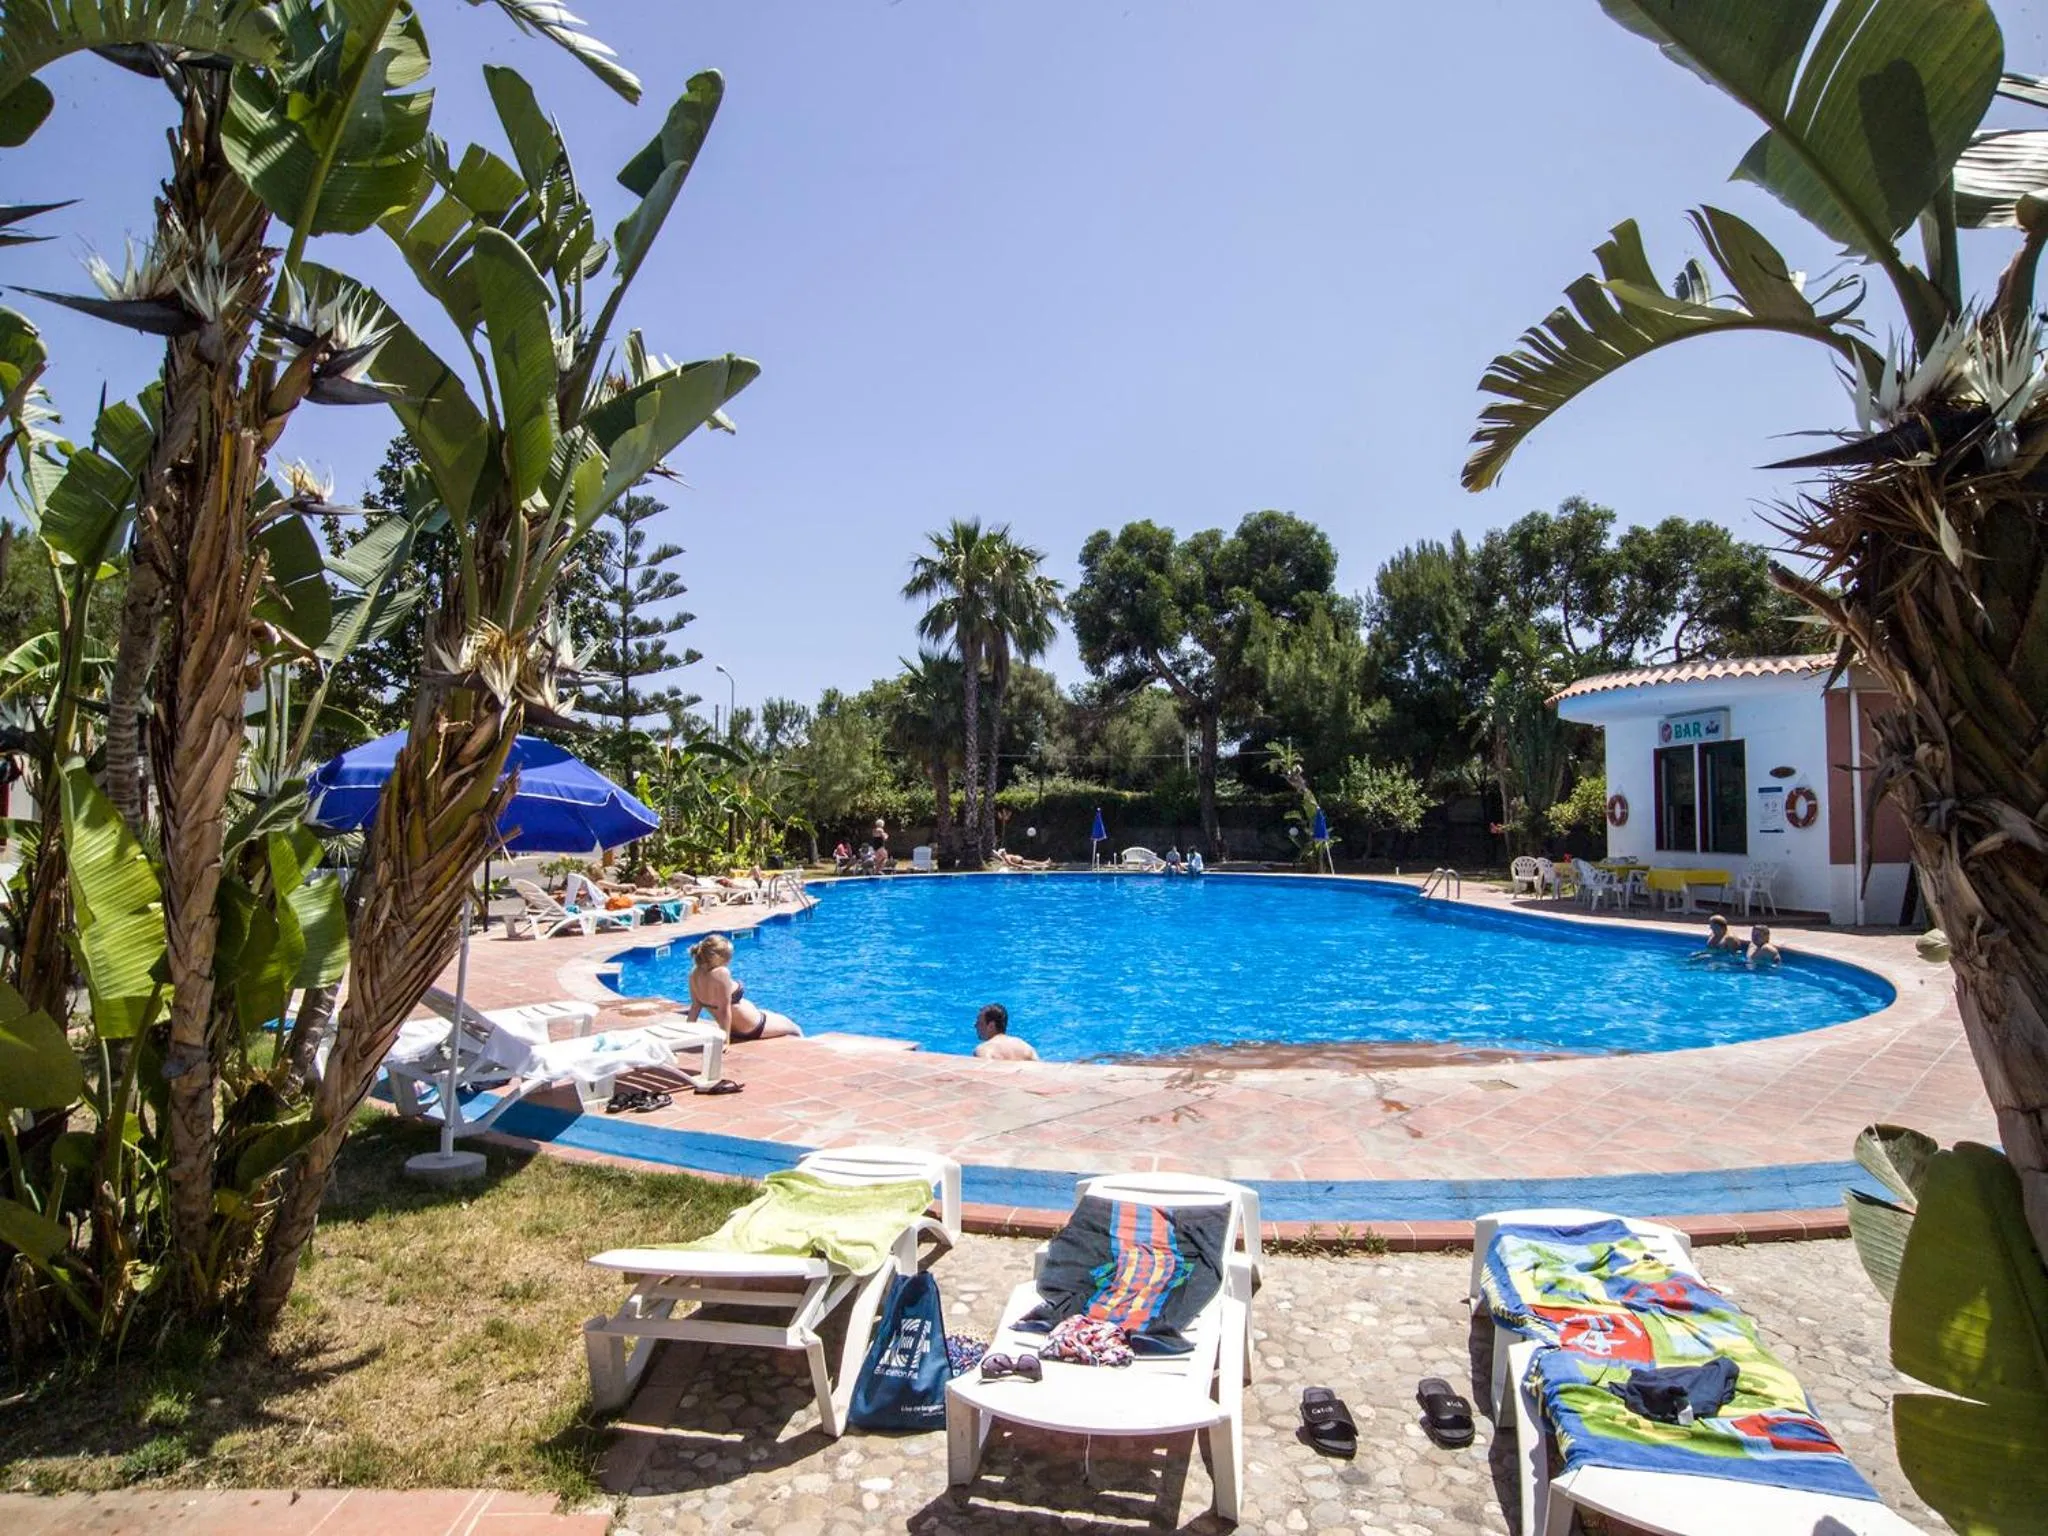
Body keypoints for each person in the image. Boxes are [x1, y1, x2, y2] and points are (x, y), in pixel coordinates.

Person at [685, 934, 802, 1041]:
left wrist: (687, 1034)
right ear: (720, 957)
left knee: (770, 1014)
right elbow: (724, 1009)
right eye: (729, 955)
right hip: (752, 1026)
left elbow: (695, 1007)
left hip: (737, 1027)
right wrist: (725, 1041)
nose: (730, 959)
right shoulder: (721, 973)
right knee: (795, 1028)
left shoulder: (694, 973)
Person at [972, 1002, 1037, 1061]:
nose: (975, 1026)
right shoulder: (1027, 1048)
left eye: (979, 1023)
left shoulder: (984, 1050)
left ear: (991, 1026)